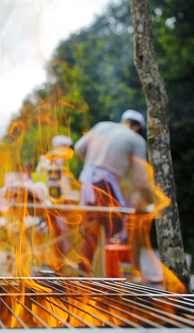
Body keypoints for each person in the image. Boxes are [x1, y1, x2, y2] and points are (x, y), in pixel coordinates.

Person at [73, 109, 154, 273]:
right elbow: (141, 179)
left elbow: (78, 148)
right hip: (105, 184)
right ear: (137, 127)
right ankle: (114, 278)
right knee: (117, 229)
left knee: (91, 229)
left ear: (124, 120)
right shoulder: (136, 139)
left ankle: (82, 274)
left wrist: (91, 162)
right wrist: (152, 201)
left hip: (87, 182)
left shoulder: (101, 126)